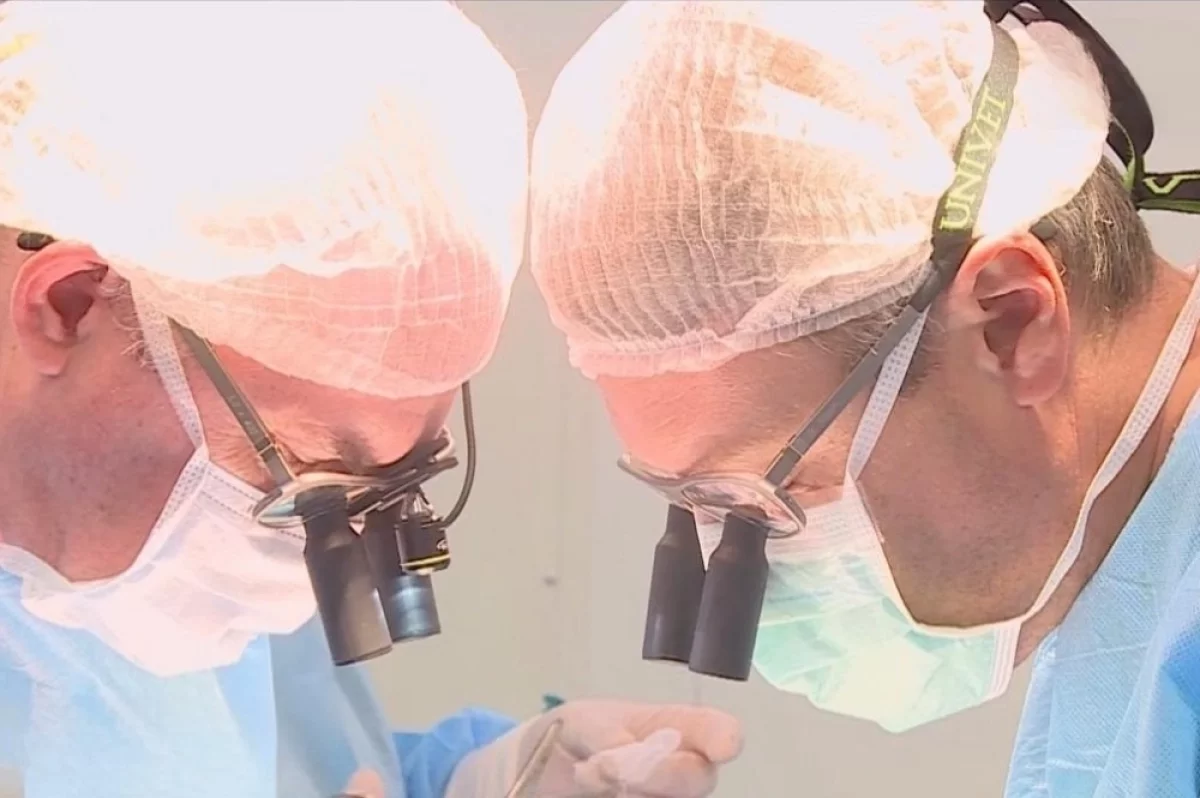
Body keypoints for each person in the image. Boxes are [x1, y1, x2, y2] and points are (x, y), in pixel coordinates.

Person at [0, 2, 743, 797]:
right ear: (70, 305)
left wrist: (474, 782)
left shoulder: (165, 573)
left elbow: (296, 768)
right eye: (314, 488)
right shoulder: (164, 540)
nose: (323, 560)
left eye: (383, 496)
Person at [529, 0, 1200, 795]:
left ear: (1011, 325)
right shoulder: (1133, 591)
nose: (737, 577)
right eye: (696, 509)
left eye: (763, 502)